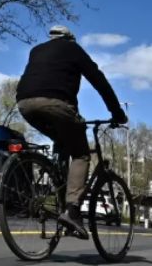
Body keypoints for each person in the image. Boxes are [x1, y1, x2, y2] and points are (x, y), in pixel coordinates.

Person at [15, 25, 128, 239]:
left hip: (24, 104)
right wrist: (117, 112)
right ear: (70, 38)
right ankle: (72, 210)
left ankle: (56, 183)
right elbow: (99, 81)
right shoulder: (73, 49)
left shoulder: (36, 50)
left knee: (63, 139)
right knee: (81, 153)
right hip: (56, 104)